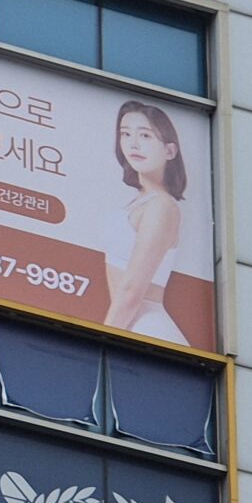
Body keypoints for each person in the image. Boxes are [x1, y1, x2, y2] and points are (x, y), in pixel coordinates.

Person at [103, 101, 188, 342]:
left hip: (148, 328)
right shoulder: (140, 201)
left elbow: (132, 290)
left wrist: (102, 339)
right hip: (131, 324)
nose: (133, 144)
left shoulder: (161, 207)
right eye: (125, 134)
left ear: (170, 151)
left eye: (145, 135)